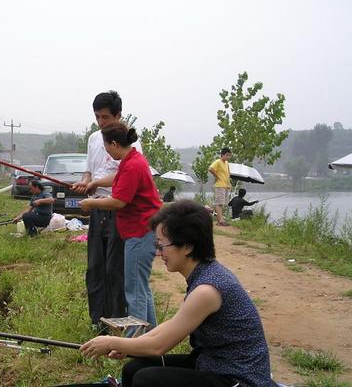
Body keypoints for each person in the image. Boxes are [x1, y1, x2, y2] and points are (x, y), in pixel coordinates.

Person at [80, 200, 279, 387]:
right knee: (135, 368)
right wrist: (129, 345)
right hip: (211, 363)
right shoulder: (204, 274)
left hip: (238, 378)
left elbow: (158, 346)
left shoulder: (207, 290)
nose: (158, 253)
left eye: (161, 245)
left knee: (146, 379)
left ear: (188, 246)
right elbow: (173, 325)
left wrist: (110, 341)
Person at [80, 122, 161, 329]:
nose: (106, 153)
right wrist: (95, 183)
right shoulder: (131, 160)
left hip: (140, 233)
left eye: (106, 148)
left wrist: (91, 202)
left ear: (114, 144)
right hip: (142, 232)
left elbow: (118, 202)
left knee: (134, 291)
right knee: (141, 288)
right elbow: (117, 179)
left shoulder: (133, 165)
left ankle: (134, 342)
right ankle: (150, 336)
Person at [71, 90, 141, 329]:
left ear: (118, 115)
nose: (101, 123)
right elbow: (89, 169)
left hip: (118, 209)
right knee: (95, 267)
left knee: (114, 269)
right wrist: (86, 183)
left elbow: (124, 176)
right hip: (98, 207)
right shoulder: (93, 139)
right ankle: (97, 320)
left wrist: (95, 184)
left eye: (105, 117)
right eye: (97, 117)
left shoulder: (130, 142)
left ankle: (117, 320)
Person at [208, 148, 232, 226]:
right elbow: (211, 169)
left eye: (229, 155)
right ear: (222, 155)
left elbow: (228, 174)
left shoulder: (227, 163)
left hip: (225, 185)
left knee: (223, 203)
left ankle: (220, 220)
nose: (228, 157)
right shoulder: (218, 161)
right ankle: (221, 220)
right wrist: (217, 176)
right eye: (227, 155)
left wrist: (229, 184)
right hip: (219, 185)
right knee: (219, 203)